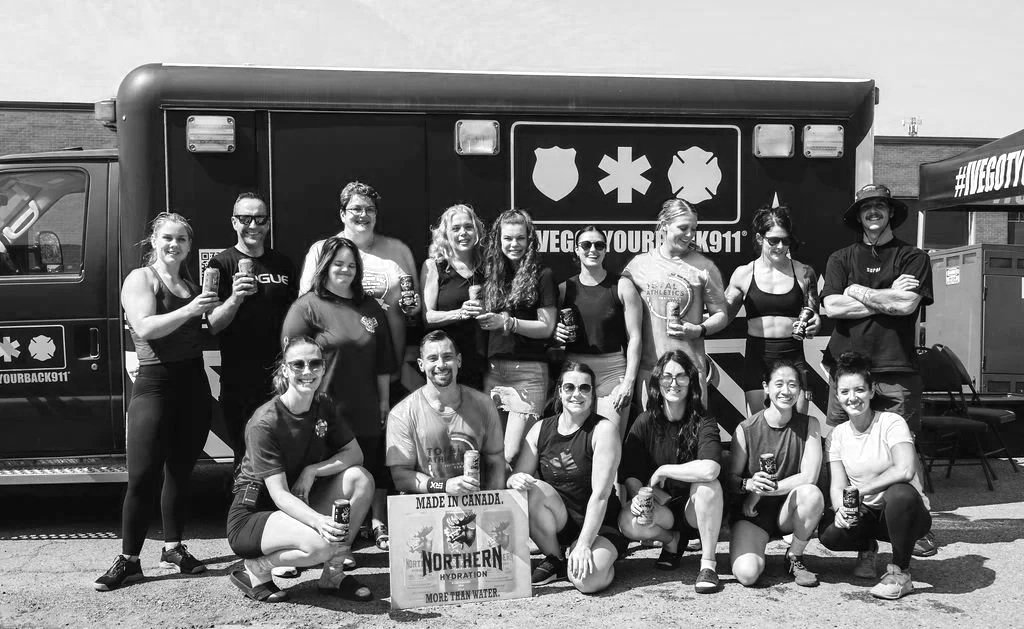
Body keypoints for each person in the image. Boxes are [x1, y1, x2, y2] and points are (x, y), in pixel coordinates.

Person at [95, 212, 219, 591]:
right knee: (143, 477)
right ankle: (129, 560)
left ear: (189, 246)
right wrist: (191, 309)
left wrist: (231, 302)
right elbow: (145, 325)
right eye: (167, 237)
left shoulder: (189, 283)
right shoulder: (141, 279)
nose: (174, 245)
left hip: (193, 385)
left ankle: (174, 547)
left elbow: (209, 326)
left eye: (181, 239)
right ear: (153, 240)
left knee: (181, 471)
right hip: (154, 386)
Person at [821, 183, 936, 557]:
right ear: (858, 215)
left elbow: (906, 307)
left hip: (897, 366)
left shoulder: (913, 256)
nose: (873, 212)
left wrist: (856, 291)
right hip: (846, 370)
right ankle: (855, 524)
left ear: (890, 212)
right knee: (842, 446)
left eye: (880, 206)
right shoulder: (840, 258)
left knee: (906, 450)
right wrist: (883, 293)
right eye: (866, 207)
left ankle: (913, 526)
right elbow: (833, 308)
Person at [226, 336, 376, 602]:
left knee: (360, 479)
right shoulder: (265, 422)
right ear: (285, 370)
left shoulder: (323, 404)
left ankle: (333, 576)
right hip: (255, 514)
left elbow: (355, 454)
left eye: (315, 363)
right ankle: (254, 569)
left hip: (297, 501)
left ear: (323, 368)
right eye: (298, 365)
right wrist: (319, 522)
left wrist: (313, 470)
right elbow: (279, 495)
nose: (307, 372)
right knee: (321, 544)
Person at [282, 237, 396, 553]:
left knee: (368, 467)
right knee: (329, 475)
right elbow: (290, 362)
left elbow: (383, 360)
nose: (344, 270)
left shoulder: (371, 307)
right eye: (338, 264)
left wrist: (384, 401)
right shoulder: (307, 306)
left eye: (350, 264)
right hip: (323, 410)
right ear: (325, 267)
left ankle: (357, 535)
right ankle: (313, 538)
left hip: (365, 405)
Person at [817, 352, 931, 600]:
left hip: (907, 514)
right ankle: (867, 546)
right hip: (868, 513)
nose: (852, 397)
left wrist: (861, 491)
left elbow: (905, 470)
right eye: (845, 392)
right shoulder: (836, 436)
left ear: (871, 391)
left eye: (859, 390)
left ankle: (901, 572)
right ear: (837, 396)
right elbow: (838, 486)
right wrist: (841, 511)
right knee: (829, 533)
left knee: (899, 493)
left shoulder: (891, 422)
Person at [508, 361, 625, 593]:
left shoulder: (603, 431)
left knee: (586, 581)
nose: (576, 394)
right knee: (528, 488)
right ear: (560, 391)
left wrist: (584, 544)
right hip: (561, 522)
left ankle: (604, 558)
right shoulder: (541, 429)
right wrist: (513, 480)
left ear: (593, 393)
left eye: (584, 388)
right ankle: (556, 558)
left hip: (600, 526)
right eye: (570, 387)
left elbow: (601, 496)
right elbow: (518, 476)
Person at [298, 181, 419, 398]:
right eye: (356, 209)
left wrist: (413, 310)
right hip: (336, 373)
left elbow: (414, 313)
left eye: (370, 209)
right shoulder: (321, 250)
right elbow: (305, 309)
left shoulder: (399, 251)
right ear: (343, 214)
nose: (363, 214)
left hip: (390, 374)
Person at [617, 350, 725, 594]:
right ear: (658, 381)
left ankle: (708, 565)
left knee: (709, 486)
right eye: (667, 377)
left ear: (691, 381)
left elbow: (711, 469)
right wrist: (638, 497)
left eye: (680, 377)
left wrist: (665, 470)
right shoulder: (644, 421)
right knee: (627, 522)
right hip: (661, 509)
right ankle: (671, 541)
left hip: (695, 511)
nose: (673, 383)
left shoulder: (703, 420)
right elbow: (631, 473)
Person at [208, 192, 297, 469]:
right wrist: (235, 298)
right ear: (234, 222)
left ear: (268, 224)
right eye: (245, 218)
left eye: (260, 218)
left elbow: (296, 318)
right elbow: (212, 324)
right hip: (239, 379)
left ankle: (278, 510)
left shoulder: (283, 264)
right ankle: (244, 512)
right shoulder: (220, 264)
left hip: (280, 378)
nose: (253, 225)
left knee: (281, 453)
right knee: (245, 455)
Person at [727, 359, 824, 588]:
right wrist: (748, 484)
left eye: (793, 385)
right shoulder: (745, 428)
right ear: (766, 387)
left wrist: (762, 492)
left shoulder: (811, 424)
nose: (786, 391)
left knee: (811, 493)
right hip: (752, 516)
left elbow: (809, 477)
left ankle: (795, 556)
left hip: (788, 512)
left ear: (800, 390)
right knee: (747, 575)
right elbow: (731, 480)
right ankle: (752, 548)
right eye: (779, 384)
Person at [623, 199, 729, 406]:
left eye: (693, 229)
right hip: (651, 370)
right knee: (652, 437)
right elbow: (615, 306)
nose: (689, 234)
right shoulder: (639, 265)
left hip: (690, 370)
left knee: (690, 436)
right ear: (664, 225)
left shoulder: (704, 267)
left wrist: (698, 330)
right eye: (683, 228)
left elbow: (721, 315)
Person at [478, 209, 557, 464]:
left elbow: (546, 327)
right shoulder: (491, 275)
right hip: (494, 370)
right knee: (493, 453)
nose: (514, 244)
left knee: (512, 453)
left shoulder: (543, 275)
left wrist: (508, 322)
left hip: (529, 374)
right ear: (498, 240)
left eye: (520, 238)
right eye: (508, 238)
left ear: (530, 240)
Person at [725, 205, 820, 415]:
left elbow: (813, 315)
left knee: (798, 427)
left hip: (793, 354)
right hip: (758, 356)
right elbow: (723, 315)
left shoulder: (804, 272)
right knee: (759, 427)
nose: (780, 246)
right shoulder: (743, 274)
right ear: (760, 238)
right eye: (773, 240)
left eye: (785, 241)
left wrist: (814, 324)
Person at [386, 330, 506, 493]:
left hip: (477, 503)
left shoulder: (484, 404)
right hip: (425, 508)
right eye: (432, 358)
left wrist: (491, 507)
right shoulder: (401, 414)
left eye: (447, 357)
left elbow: (496, 461)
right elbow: (401, 477)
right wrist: (444, 486)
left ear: (459, 361)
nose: (441, 365)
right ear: (421, 365)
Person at [553, 226, 642, 436]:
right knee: (576, 437)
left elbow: (636, 337)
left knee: (609, 438)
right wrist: (555, 332)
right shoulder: (564, 289)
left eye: (599, 245)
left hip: (613, 371)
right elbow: (548, 330)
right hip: (575, 369)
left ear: (605, 250)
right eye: (586, 245)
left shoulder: (622, 286)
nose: (592, 250)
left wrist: (628, 381)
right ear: (576, 249)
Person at [420, 204, 488, 390]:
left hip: (482, 364)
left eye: (468, 227)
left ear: (477, 231)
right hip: (445, 363)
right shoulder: (434, 266)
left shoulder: (489, 267)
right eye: (456, 228)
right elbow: (427, 317)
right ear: (445, 235)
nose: (463, 233)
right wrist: (459, 313)